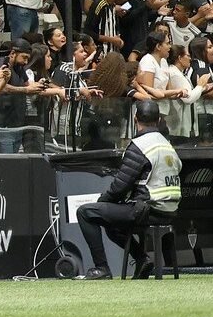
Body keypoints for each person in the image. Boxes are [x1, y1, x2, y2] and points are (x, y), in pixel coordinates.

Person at [77, 100, 183, 278]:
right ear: (158, 120)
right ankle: (142, 260)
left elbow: (120, 186)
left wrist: (102, 202)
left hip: (147, 209)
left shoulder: (140, 146)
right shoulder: (168, 146)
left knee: (86, 212)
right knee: (112, 225)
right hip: (170, 209)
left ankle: (102, 269)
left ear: (135, 119)